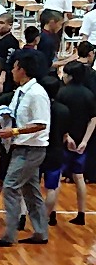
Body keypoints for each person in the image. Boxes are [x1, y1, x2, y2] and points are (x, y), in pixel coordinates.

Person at [0, 50, 51, 247]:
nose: (12, 71)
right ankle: (41, 232)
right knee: (31, 191)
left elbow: (41, 124)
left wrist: (14, 131)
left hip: (32, 149)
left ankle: (9, 234)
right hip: (20, 146)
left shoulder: (37, 94)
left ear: (22, 70)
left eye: (14, 68)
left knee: (10, 186)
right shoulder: (20, 91)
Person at [50, 61, 93, 226]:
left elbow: (61, 116)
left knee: (58, 177)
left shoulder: (62, 93)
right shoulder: (89, 94)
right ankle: (81, 214)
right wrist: (84, 141)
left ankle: (52, 214)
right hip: (82, 143)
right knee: (79, 177)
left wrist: (67, 136)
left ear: (70, 76)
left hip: (63, 142)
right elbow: (93, 119)